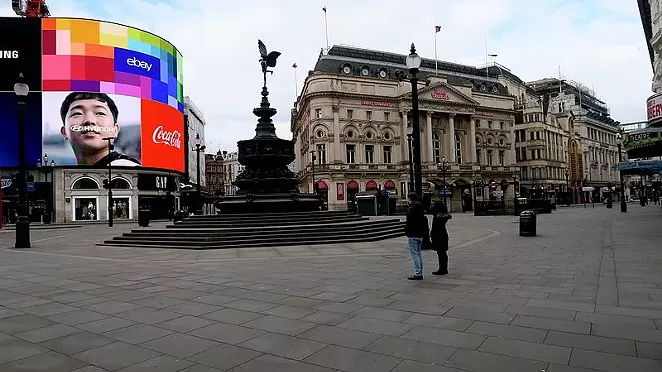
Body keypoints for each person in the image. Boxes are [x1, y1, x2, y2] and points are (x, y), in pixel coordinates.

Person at [59, 92, 141, 167]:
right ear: (64, 131)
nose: (89, 120)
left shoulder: (128, 171)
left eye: (100, 113)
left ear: (115, 130)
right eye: (77, 113)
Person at [405, 192, 427, 280]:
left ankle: (418, 273)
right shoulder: (420, 207)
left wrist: (406, 230)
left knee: (415, 254)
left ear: (410, 199)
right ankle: (420, 271)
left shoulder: (411, 208)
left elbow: (409, 220)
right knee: (418, 253)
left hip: (413, 233)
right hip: (420, 232)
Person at [430, 201, 452, 275]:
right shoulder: (442, 216)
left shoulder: (438, 217)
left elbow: (436, 227)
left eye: (434, 205)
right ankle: (444, 268)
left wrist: (432, 234)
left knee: (441, 253)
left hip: (439, 235)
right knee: (443, 253)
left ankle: (442, 269)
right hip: (443, 234)